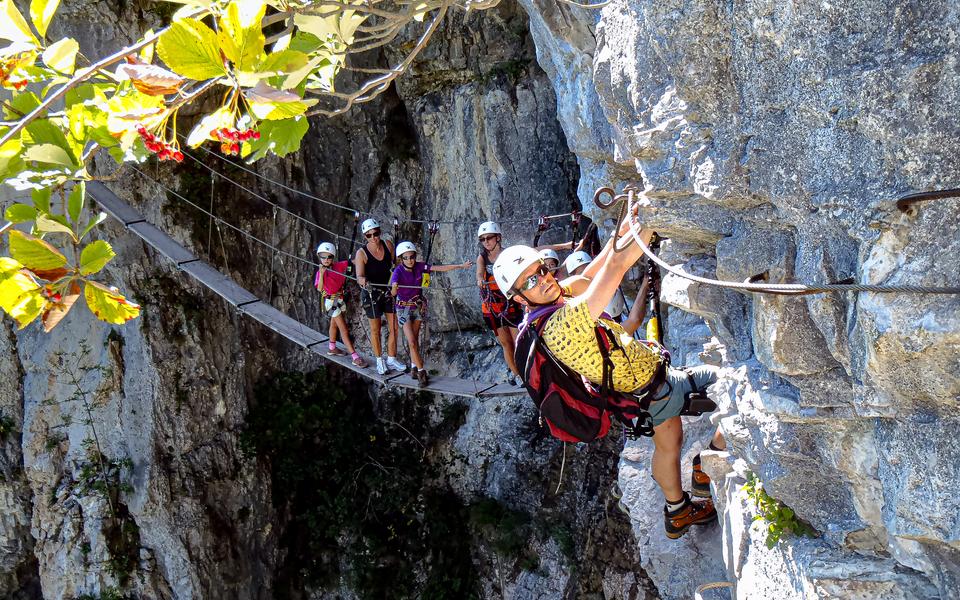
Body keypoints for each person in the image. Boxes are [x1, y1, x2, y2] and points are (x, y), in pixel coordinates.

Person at [492, 216, 726, 540]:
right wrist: (650, 217)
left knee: (669, 443)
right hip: (656, 388)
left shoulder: (552, 302)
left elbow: (590, 274)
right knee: (730, 384)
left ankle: (677, 512)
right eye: (529, 282)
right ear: (518, 298)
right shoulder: (561, 326)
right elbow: (614, 269)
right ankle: (709, 464)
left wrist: (627, 223)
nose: (542, 280)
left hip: (638, 396)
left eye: (541, 271)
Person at [390, 241, 473, 387]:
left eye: (412, 256)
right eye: (406, 257)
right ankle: (422, 372)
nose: (410, 260)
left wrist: (460, 266)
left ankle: (414, 367)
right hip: (403, 309)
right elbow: (392, 293)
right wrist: (395, 287)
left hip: (417, 307)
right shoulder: (398, 272)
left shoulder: (420, 266)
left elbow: (439, 268)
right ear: (400, 259)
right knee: (412, 341)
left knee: (414, 340)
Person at [476, 221, 525, 385]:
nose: (486, 242)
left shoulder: (508, 254)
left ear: (497, 237)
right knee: (506, 343)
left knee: (518, 341)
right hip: (492, 308)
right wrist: (479, 279)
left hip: (510, 303)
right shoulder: (482, 258)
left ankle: (526, 372)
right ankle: (517, 375)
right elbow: (479, 272)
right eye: (482, 239)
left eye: (489, 238)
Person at [354, 218, 404, 376]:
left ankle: (391, 358)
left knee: (394, 327)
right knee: (375, 330)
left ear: (379, 232)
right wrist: (363, 281)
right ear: (365, 237)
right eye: (369, 235)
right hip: (371, 294)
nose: (374, 237)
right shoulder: (362, 253)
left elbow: (395, 264)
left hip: (389, 292)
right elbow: (359, 276)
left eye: (376, 233)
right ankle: (379, 360)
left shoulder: (388, 245)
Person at [314, 242, 367, 368]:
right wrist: (321, 274)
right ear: (319, 257)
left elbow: (353, 262)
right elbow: (319, 289)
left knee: (334, 325)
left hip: (339, 300)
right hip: (331, 302)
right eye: (323, 257)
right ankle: (355, 357)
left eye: (329, 257)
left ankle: (332, 347)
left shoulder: (339, 266)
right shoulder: (320, 273)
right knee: (343, 329)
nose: (326, 260)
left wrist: (364, 257)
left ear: (333, 257)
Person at [562, 250, 627, 321]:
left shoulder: (608, 279)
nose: (590, 275)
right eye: (581, 272)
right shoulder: (578, 302)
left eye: (589, 268)